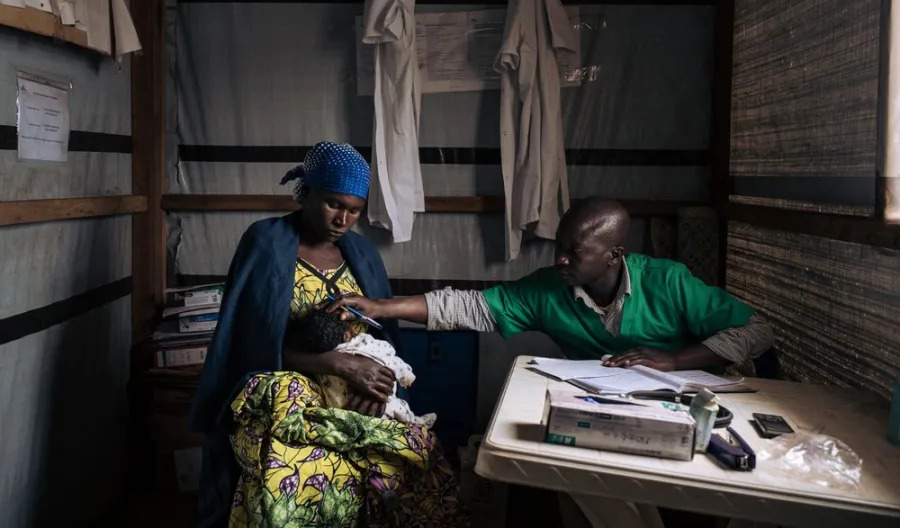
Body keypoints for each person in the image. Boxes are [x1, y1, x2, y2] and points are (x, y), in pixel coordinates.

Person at [189, 142, 465, 528]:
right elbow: (250, 342)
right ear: (307, 193)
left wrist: (375, 384)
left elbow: (382, 339)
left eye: (355, 210)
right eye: (334, 204)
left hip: (356, 388)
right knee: (304, 472)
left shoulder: (362, 254)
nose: (343, 219)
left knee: (419, 458)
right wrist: (334, 363)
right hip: (284, 387)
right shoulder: (266, 243)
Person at [330, 198, 773, 372]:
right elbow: (467, 306)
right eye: (558, 246)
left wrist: (676, 359)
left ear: (615, 255)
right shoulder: (548, 289)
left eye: (574, 252)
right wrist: (382, 307)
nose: (559, 259)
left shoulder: (669, 281)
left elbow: (757, 331)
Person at [285, 308, 437, 427]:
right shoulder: (366, 343)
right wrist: (407, 377)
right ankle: (415, 422)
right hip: (381, 405)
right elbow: (392, 360)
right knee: (399, 408)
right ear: (348, 333)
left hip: (341, 413)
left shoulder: (318, 367)